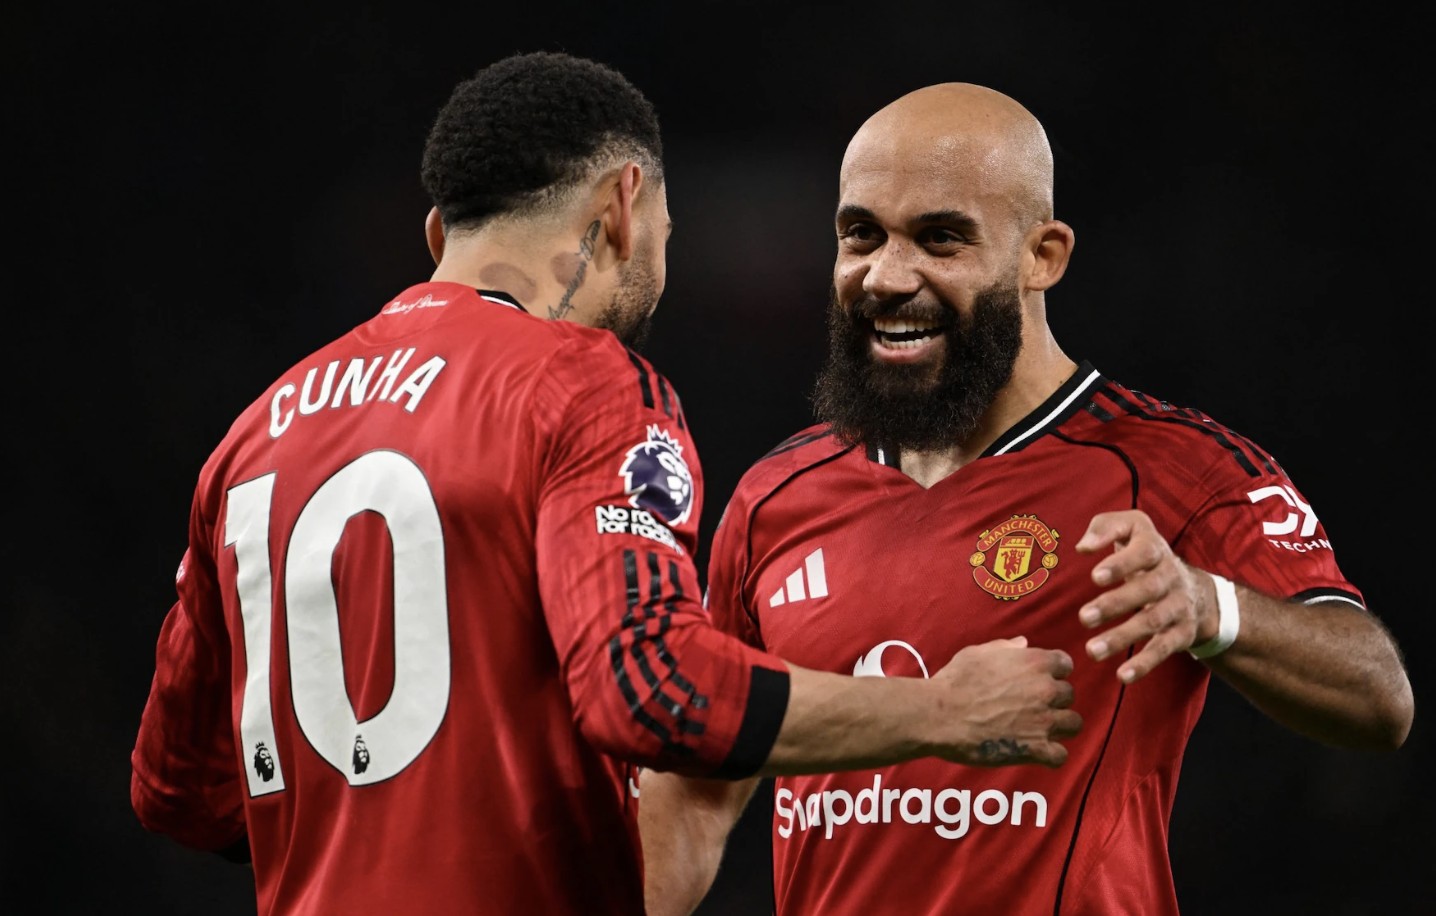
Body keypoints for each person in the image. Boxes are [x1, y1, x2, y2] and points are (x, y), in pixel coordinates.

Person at [129, 54, 1085, 916]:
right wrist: (944, 711)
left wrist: (367, 814)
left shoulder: (255, 435)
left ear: (437, 232)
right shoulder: (580, 382)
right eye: (667, 224)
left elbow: (176, 791)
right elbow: (654, 690)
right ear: (625, 202)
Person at [637, 82, 1416, 916]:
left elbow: (1378, 697)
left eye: (940, 239)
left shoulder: (1170, 469)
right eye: (861, 234)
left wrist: (1207, 606)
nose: (886, 277)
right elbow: (696, 788)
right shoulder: (777, 496)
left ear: (1042, 255)